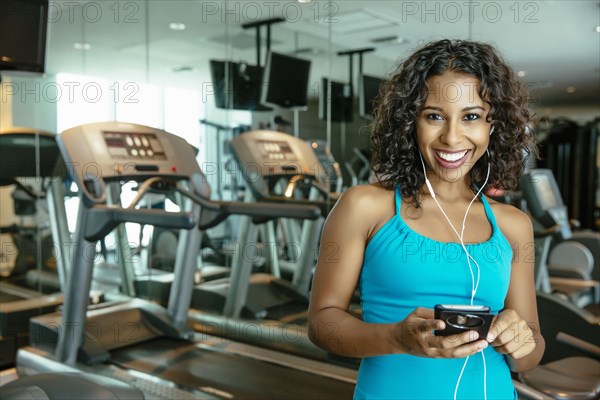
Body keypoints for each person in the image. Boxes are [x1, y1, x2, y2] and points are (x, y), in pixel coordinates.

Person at [308, 39, 545, 399]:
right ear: (410, 122)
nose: (451, 137)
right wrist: (396, 338)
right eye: (434, 115)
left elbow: (531, 355)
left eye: (471, 116)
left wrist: (520, 340)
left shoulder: (513, 225)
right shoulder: (365, 207)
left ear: (493, 125)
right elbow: (322, 324)